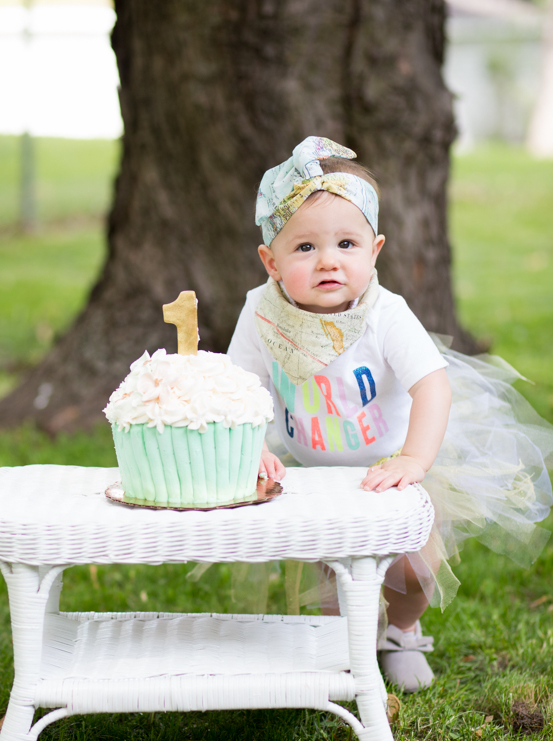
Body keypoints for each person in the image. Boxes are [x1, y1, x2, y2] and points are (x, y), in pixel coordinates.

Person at [228, 136, 553, 692]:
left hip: (397, 460)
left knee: (413, 566)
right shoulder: (263, 312)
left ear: (374, 251)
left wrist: (414, 458)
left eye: (346, 243)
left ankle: (402, 630)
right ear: (271, 261)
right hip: (322, 471)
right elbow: (243, 387)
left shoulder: (385, 314)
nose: (328, 260)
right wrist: (251, 443)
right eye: (304, 248)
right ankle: (345, 646)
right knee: (333, 573)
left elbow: (432, 384)